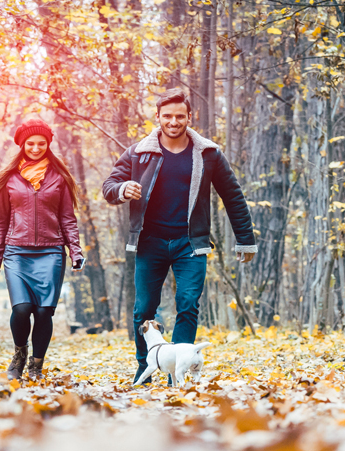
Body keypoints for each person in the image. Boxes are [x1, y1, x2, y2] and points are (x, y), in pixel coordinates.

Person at [102, 88, 257, 384]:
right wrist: (122, 190)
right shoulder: (139, 152)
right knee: (144, 308)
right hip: (150, 242)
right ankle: (143, 367)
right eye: (167, 116)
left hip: (191, 243)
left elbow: (233, 196)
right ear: (158, 117)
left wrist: (245, 238)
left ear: (189, 117)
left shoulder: (208, 153)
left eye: (179, 116)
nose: (173, 122)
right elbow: (110, 185)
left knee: (188, 303)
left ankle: (178, 370)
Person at [0, 118, 84, 380]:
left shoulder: (59, 179)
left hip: (50, 253)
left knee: (42, 312)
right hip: (16, 252)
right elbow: (0, 221)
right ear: (22, 145)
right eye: (31, 143)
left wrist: (76, 251)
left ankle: (36, 365)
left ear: (48, 145)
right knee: (22, 309)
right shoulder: (11, 180)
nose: (36, 148)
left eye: (41, 143)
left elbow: (67, 219)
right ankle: (19, 353)